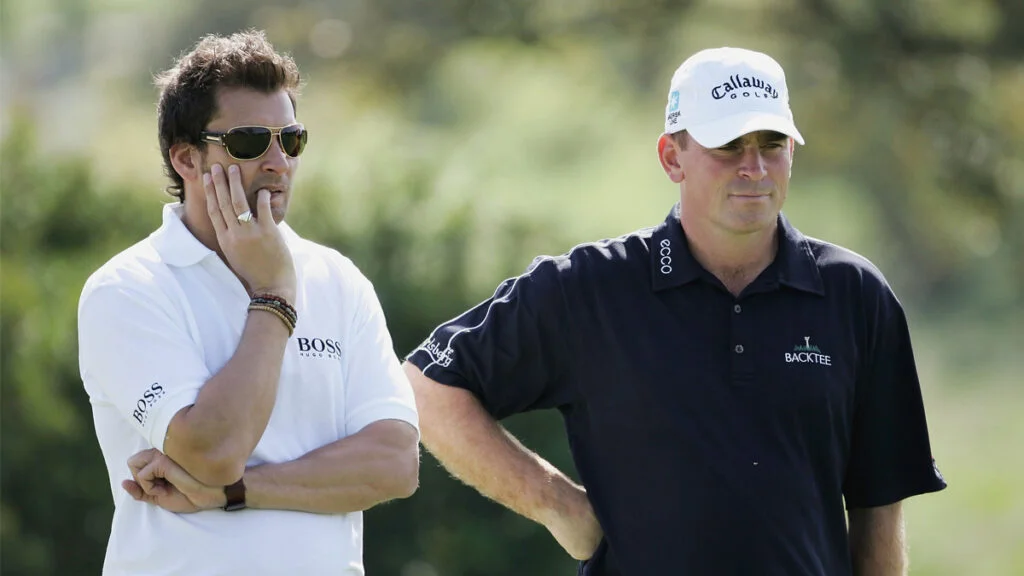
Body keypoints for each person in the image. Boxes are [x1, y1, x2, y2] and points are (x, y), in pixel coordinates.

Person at [403, 47, 947, 575]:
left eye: (772, 143)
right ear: (672, 157)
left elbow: (879, 503)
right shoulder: (591, 288)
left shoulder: (855, 293)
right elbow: (428, 386)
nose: (754, 167)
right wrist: (556, 502)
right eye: (729, 145)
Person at [77, 30, 419, 576]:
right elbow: (213, 451)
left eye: (292, 139)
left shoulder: (338, 279)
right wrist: (274, 298)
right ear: (186, 159)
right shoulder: (127, 289)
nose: (279, 162)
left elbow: (394, 464)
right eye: (250, 141)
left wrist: (235, 492)